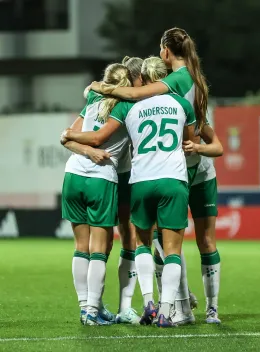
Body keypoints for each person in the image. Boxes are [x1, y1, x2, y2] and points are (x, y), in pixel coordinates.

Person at [90, 27, 223, 325]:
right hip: (182, 171)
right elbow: (204, 134)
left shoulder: (154, 93)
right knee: (180, 243)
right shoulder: (186, 96)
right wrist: (197, 145)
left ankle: (160, 304)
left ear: (165, 51)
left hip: (148, 177)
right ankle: (179, 307)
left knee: (150, 243)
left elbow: (132, 99)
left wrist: (103, 88)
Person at [63, 56, 197, 328]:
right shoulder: (136, 104)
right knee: (127, 244)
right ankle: (157, 306)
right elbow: (190, 140)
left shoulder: (97, 100)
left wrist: (76, 141)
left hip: (94, 174)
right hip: (121, 176)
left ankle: (97, 306)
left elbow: (69, 135)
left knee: (106, 245)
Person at [61, 63, 133, 325]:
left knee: (81, 248)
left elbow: (68, 138)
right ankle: (91, 310)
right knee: (99, 251)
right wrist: (91, 149)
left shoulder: (93, 98)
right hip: (100, 179)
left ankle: (88, 307)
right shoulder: (126, 107)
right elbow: (97, 138)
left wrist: (72, 137)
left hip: (72, 176)